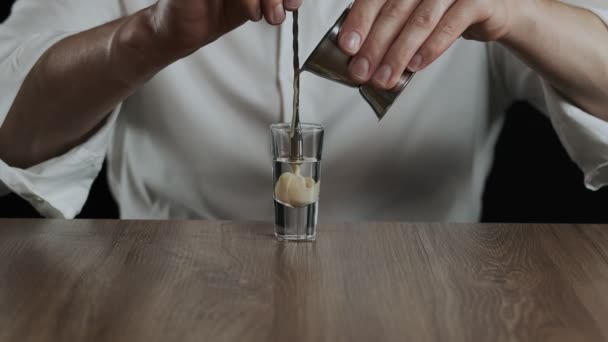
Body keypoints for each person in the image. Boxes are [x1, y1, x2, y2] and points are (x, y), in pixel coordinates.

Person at [0, 0, 606, 221]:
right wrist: (146, 36)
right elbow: (13, 131)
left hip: (423, 311)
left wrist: (522, 13)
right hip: (170, 307)